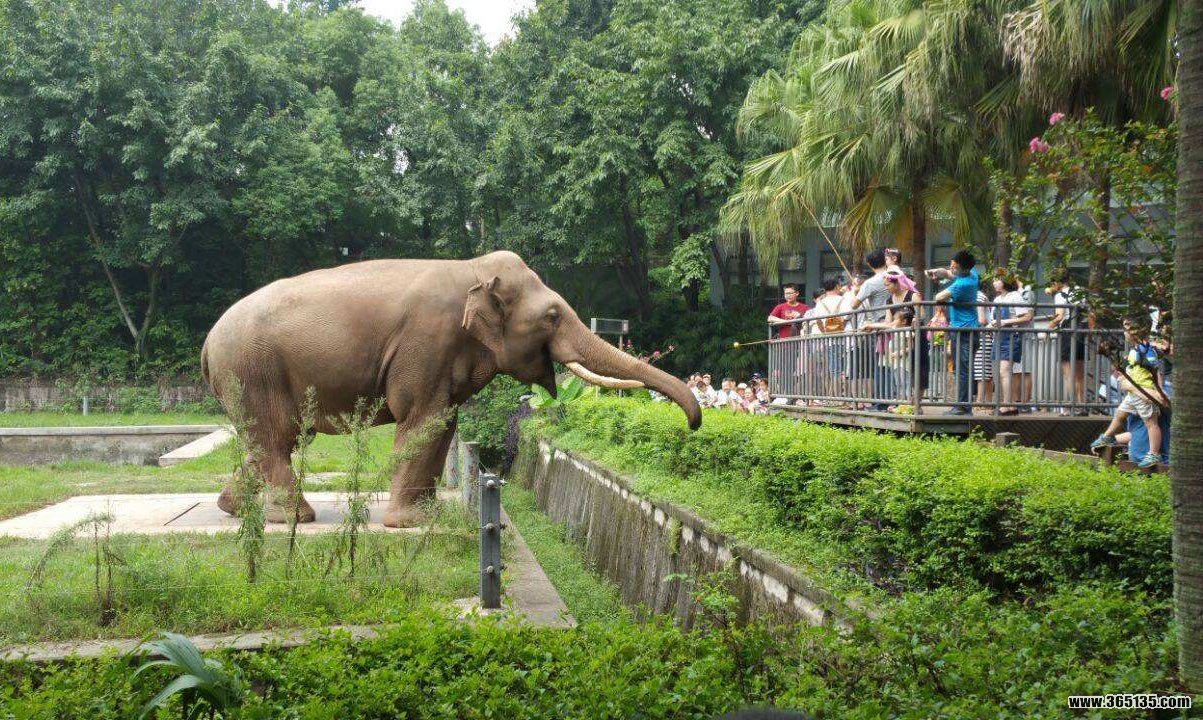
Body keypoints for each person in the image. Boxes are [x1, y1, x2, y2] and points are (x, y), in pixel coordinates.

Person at [1090, 316, 1169, 469]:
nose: (1124, 333)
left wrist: (1135, 385)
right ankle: (1107, 437)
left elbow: (1153, 368)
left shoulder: (1145, 349)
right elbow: (1131, 365)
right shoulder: (1134, 350)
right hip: (1133, 394)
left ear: (1135, 332)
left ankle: (1153, 453)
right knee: (1120, 414)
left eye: (1126, 329)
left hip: (1143, 391)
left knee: (1151, 424)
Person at [928, 250, 980, 415]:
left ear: (963, 268)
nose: (951, 268)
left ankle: (963, 407)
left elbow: (939, 297)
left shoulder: (962, 284)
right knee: (961, 368)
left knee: (963, 370)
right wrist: (942, 273)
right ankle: (963, 405)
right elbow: (952, 274)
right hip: (965, 330)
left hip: (964, 331)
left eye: (953, 266)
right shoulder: (972, 273)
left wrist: (941, 278)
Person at [850, 250, 893, 409]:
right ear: (885, 260)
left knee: (882, 364)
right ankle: (891, 401)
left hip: (881, 326)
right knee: (893, 363)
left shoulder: (870, 283)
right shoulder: (895, 277)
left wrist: (856, 291)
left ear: (869, 264)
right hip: (897, 323)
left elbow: (854, 305)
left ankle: (881, 402)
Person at [990, 276, 1033, 415]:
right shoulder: (997, 299)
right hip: (999, 337)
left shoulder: (1015, 296)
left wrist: (1005, 322)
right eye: (993, 280)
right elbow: (993, 320)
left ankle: (1007, 405)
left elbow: (1027, 317)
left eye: (997, 280)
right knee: (1003, 372)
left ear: (1005, 281)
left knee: (1005, 371)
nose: (994, 283)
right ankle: (1011, 405)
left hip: (1012, 336)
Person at [1046, 275, 1088, 416]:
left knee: (1068, 374)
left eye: (1052, 283)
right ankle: (1082, 406)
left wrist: (1047, 329)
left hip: (1067, 333)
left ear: (1057, 282)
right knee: (1080, 374)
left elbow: (1059, 316)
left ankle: (1069, 406)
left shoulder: (1060, 295)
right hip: (1081, 333)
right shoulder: (1079, 291)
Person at [973, 280, 995, 405]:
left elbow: (981, 320)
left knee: (981, 370)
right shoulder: (983, 296)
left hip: (981, 335)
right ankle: (988, 402)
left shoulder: (978, 297)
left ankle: (980, 401)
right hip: (987, 335)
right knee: (986, 371)